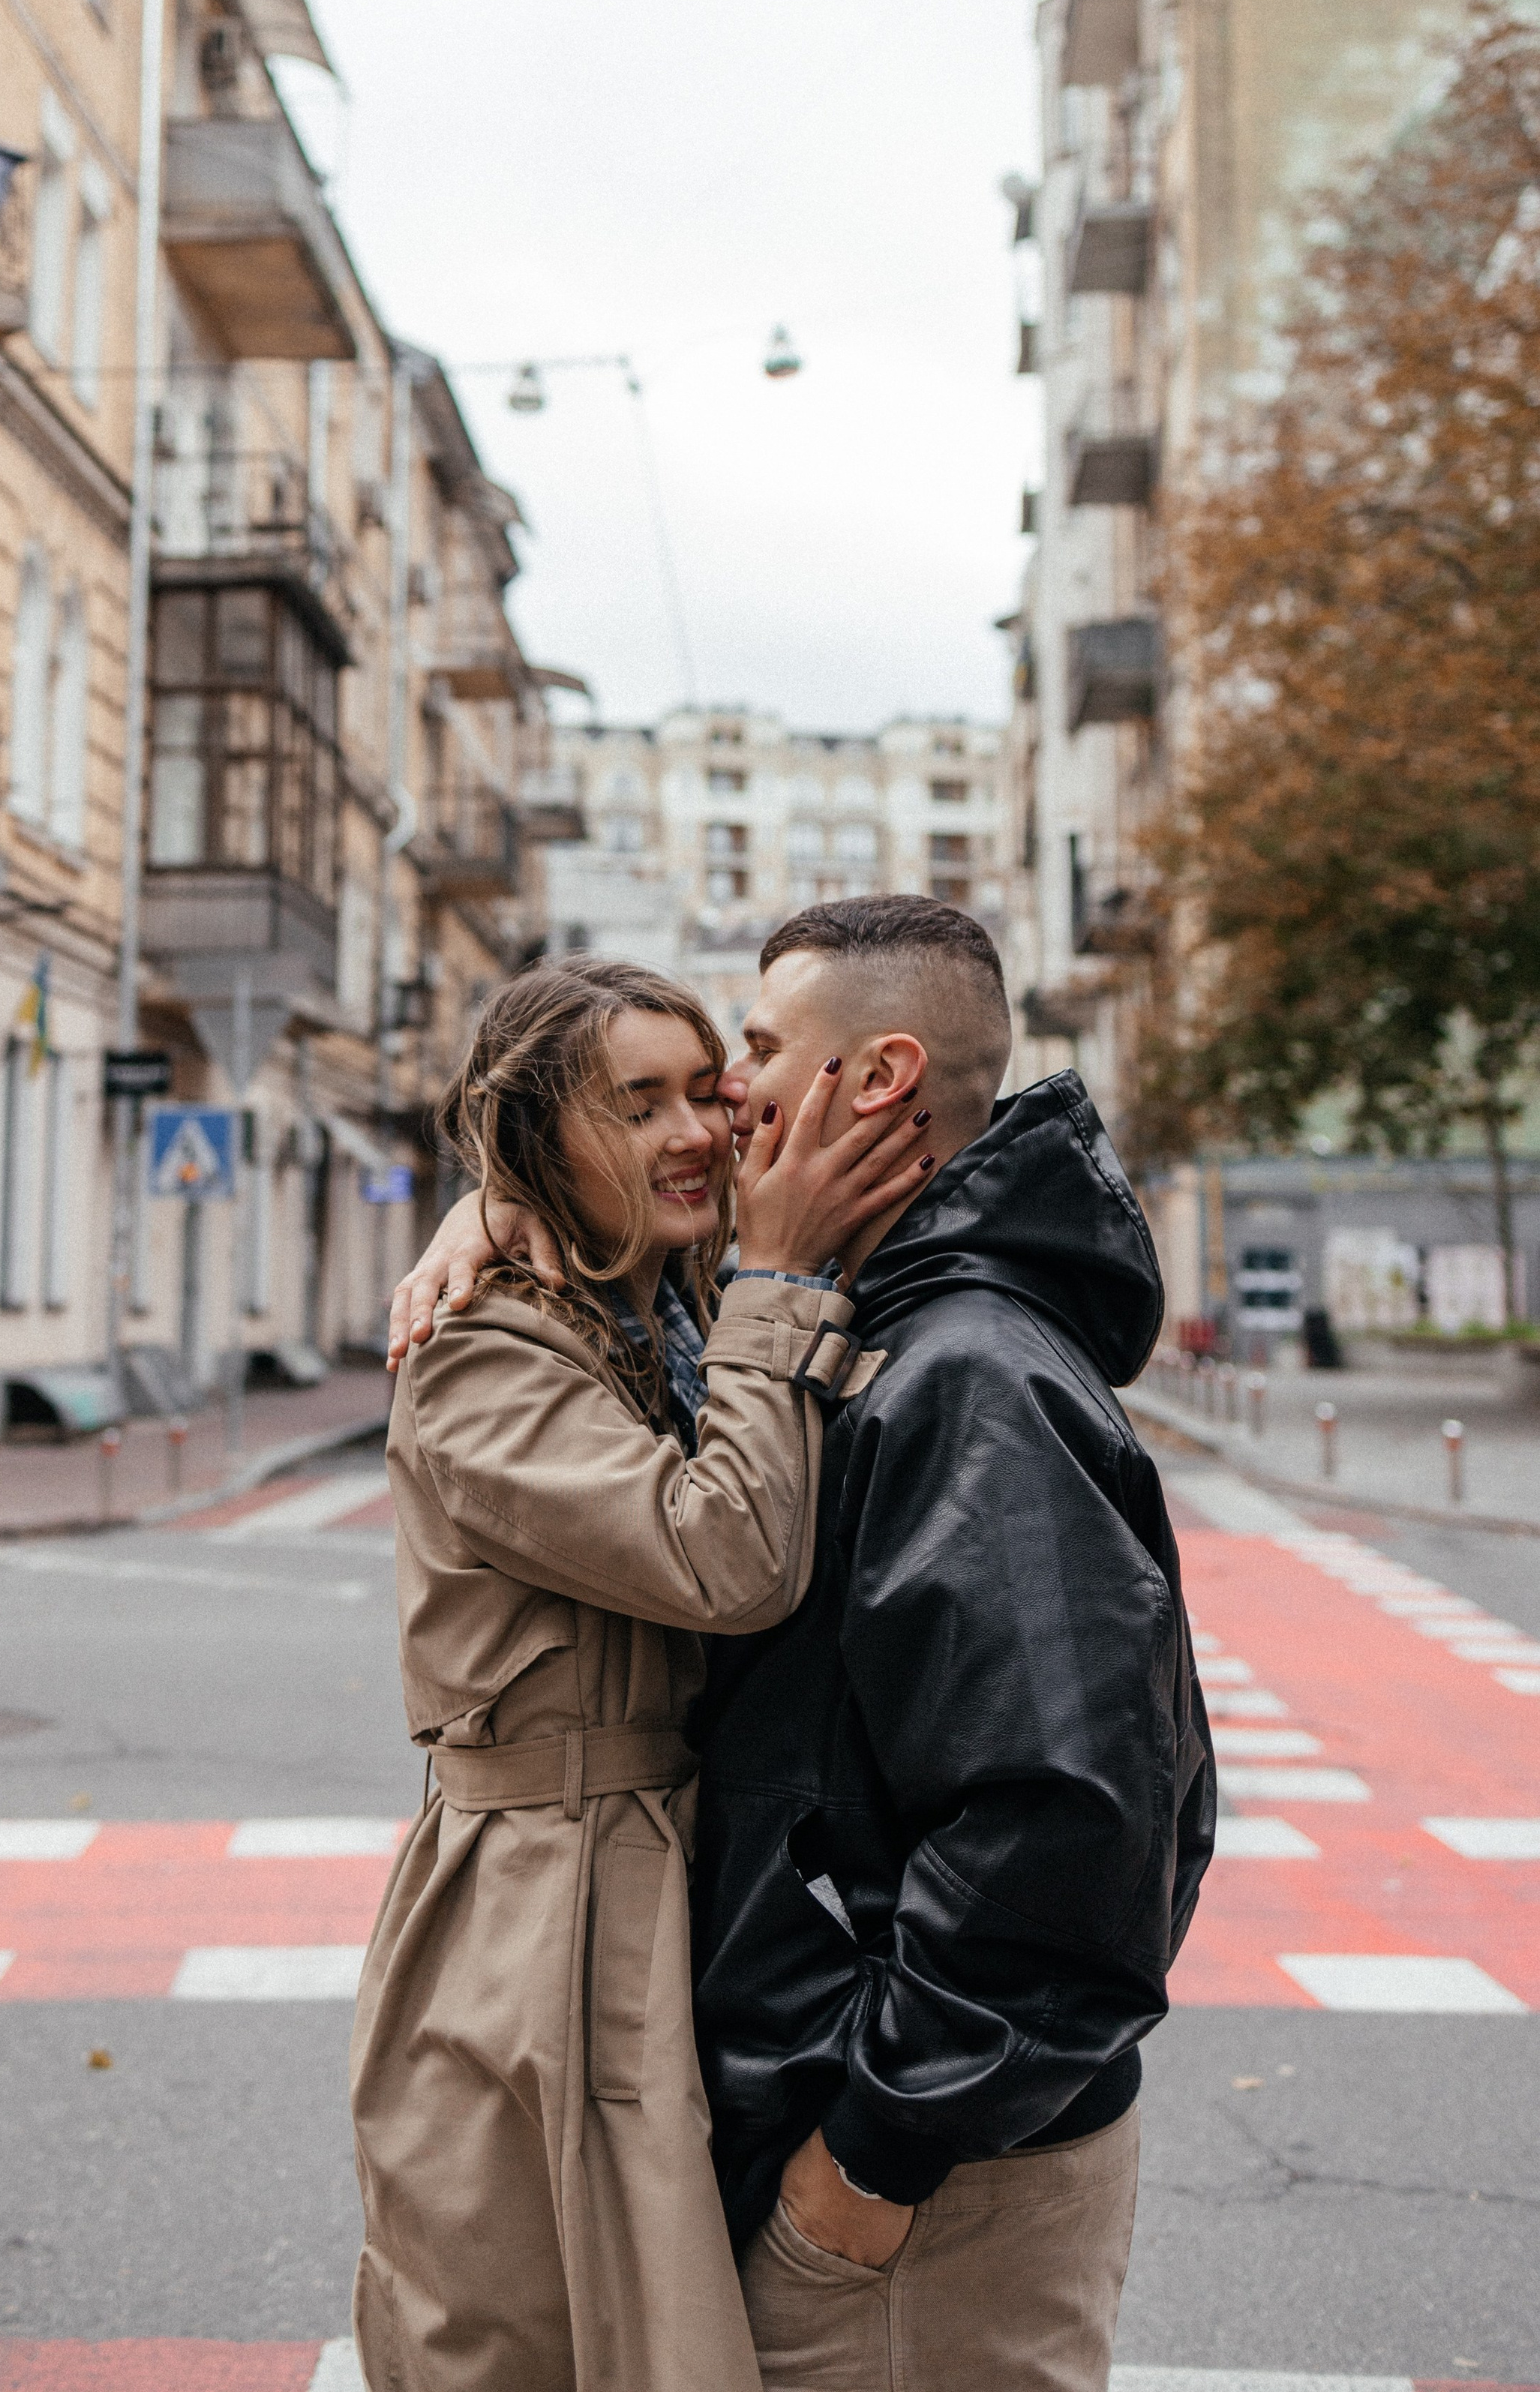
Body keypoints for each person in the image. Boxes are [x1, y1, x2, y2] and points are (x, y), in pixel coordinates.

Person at [390, 896, 1214, 2392]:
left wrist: (871, 2155)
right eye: (650, 1101)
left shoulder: (957, 1373)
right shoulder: (850, 1320)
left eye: (737, 1061)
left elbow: (1061, 1831)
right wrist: (504, 1200)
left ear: (874, 1080)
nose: (721, 1109)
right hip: (724, 2048)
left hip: (919, 2167)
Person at [351, 954, 935, 2392]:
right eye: (635, 1102)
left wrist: (494, 1211)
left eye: (703, 1089)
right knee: (522, 2327)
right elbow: (725, 1559)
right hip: (540, 1907)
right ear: (543, 1138)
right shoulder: (483, 1351)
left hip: (672, 1875)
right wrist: (777, 1276)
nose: (696, 1129)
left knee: (667, 2323)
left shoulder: (662, 1306)